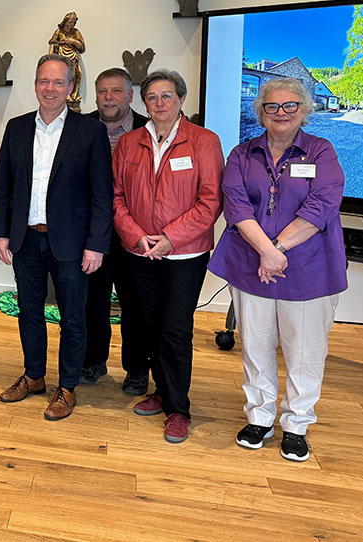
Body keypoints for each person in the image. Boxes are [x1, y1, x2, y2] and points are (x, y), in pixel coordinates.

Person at [208, 77, 347, 462]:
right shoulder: (242, 153)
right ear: (261, 112)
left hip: (308, 269)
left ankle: (297, 423)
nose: (281, 113)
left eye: (290, 106)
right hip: (251, 265)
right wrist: (266, 252)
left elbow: (322, 205)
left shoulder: (321, 151)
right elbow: (236, 206)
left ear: (304, 110)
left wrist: (277, 249)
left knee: (305, 352)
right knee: (255, 346)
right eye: (271, 106)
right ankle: (260, 417)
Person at [0, 55, 113, 420]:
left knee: (73, 318)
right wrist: (1, 233)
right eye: (44, 81)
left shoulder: (90, 131)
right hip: (26, 239)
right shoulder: (16, 128)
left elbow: (102, 194)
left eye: (58, 82)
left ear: (71, 87)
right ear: (35, 85)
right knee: (29, 312)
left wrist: (96, 244)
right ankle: (34, 376)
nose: (50, 89)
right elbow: (4, 185)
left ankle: (67, 387)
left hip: (73, 243)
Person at [112, 69, 223, 444]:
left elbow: (210, 202)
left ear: (181, 100)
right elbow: (116, 197)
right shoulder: (129, 143)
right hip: (139, 252)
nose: (159, 103)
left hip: (185, 255)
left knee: (175, 329)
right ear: (144, 103)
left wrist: (170, 239)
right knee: (147, 326)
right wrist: (136, 235)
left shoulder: (204, 141)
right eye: (152, 97)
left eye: (167, 96)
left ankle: (178, 410)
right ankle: (161, 391)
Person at [83, 68, 150, 393]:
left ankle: (136, 370)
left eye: (116, 91)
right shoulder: (79, 126)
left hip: (134, 233)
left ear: (130, 95)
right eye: (103, 92)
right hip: (90, 233)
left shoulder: (148, 129)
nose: (108, 98)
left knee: (135, 305)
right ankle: (92, 361)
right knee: (91, 303)